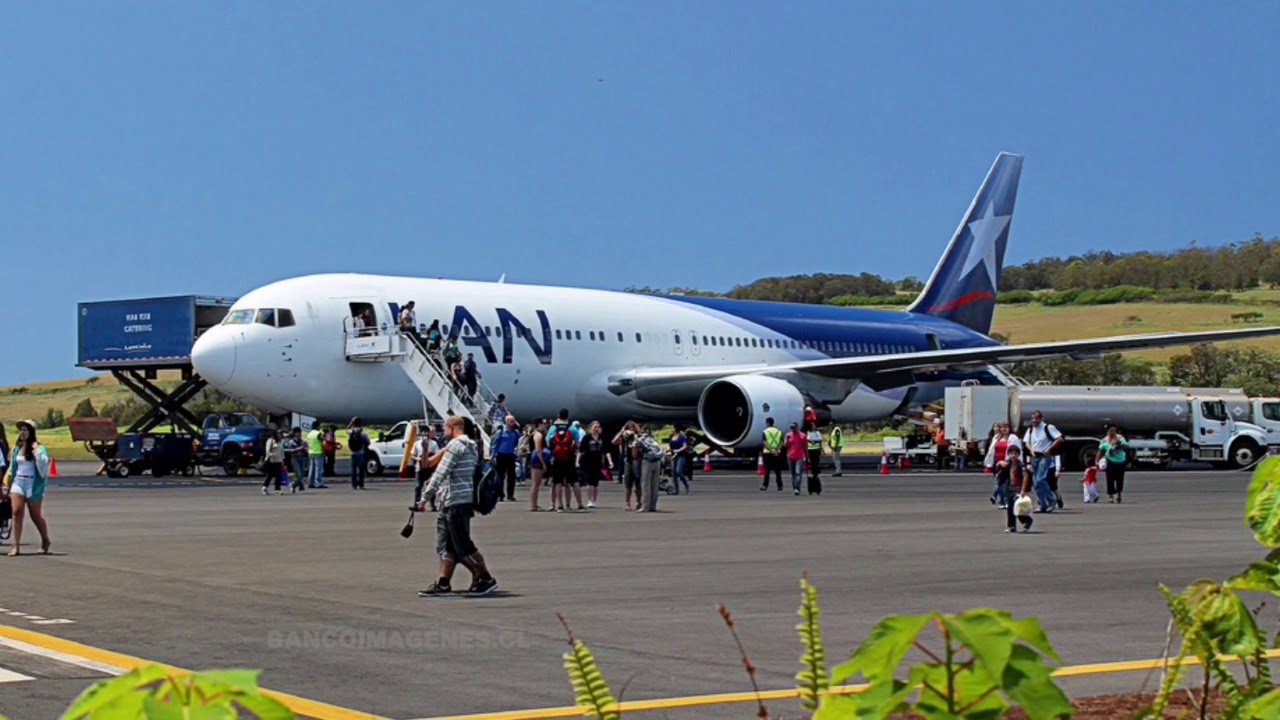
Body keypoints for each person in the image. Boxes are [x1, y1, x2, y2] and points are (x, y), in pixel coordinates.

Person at [417, 416, 498, 597]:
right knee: (448, 546)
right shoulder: (468, 446)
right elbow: (427, 465)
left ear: (453, 427)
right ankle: (444, 583)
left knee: (463, 547)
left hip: (456, 501)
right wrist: (424, 450)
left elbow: (440, 473)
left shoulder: (456, 446)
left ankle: (485, 578)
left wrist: (424, 498)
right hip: (454, 501)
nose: (442, 431)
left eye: (444, 427)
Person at [2, 420, 52, 555]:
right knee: (17, 512)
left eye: (25, 430)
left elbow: (43, 465)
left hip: (33, 484)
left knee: (35, 515)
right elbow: (12, 468)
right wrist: (6, 483)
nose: (22, 432)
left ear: (32, 432)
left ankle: (45, 540)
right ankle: (15, 545)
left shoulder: (40, 449)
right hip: (18, 483)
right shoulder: (17, 448)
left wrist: (36, 451)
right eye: (21, 430)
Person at [1021, 411, 1063, 512]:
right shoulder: (1031, 429)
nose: (1034, 421)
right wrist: (1031, 450)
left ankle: (1051, 499)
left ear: (1041, 419)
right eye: (1033, 419)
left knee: (1041, 479)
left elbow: (1059, 439)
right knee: (1036, 483)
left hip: (1045, 456)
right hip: (1035, 456)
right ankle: (1042, 505)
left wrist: (1050, 449)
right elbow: (1026, 442)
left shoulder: (1048, 427)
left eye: (1036, 418)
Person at [578, 421, 611, 509]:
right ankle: (590, 500)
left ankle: (594, 500)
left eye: (598, 427)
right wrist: (577, 461)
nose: (596, 429)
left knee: (595, 483)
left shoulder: (602, 438)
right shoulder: (587, 438)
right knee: (589, 482)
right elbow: (581, 451)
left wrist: (610, 461)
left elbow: (606, 451)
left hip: (597, 462)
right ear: (591, 428)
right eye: (595, 427)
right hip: (587, 462)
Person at [614, 421, 643, 511]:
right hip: (628, 461)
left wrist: (635, 436)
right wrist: (621, 432)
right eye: (629, 428)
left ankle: (639, 502)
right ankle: (627, 502)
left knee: (638, 482)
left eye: (632, 428)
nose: (630, 430)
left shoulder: (638, 437)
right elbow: (614, 442)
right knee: (628, 484)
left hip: (637, 461)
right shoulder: (625, 438)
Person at [491, 415, 521, 502]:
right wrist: (493, 455)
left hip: (510, 455)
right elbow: (495, 444)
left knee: (512, 476)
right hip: (501, 455)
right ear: (507, 422)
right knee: (500, 476)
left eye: (514, 421)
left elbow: (517, 442)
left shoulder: (515, 433)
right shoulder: (501, 432)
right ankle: (500, 494)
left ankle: (510, 494)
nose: (513, 423)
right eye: (511, 421)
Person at [1097, 424, 1130, 503]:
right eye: (1111, 431)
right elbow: (1100, 451)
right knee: (1110, 479)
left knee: (1119, 479)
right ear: (1108, 431)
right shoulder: (1104, 440)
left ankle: (1119, 495)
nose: (1113, 432)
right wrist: (1097, 461)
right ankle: (1110, 496)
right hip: (1110, 461)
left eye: (1114, 430)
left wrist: (1119, 445)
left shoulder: (1120, 438)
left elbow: (1126, 446)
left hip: (1120, 461)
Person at [1004, 445, 1033, 533]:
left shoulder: (1021, 464)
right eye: (1011, 453)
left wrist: (1023, 490)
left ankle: (1027, 521)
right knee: (1010, 508)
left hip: (1018, 489)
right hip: (1010, 488)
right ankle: (1012, 526)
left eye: (1015, 454)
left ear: (1018, 455)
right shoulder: (1008, 463)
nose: (1013, 455)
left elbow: (1025, 477)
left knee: (1018, 508)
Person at [636, 426, 665, 513]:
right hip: (657, 461)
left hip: (647, 460)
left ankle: (645, 506)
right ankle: (653, 505)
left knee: (645, 485)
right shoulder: (654, 440)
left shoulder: (641, 439)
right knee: (654, 485)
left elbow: (636, 447)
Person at [412, 424, 441, 507]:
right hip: (419, 468)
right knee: (418, 486)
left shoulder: (434, 443)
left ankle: (432, 504)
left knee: (431, 486)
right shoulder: (417, 444)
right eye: (423, 432)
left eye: (427, 432)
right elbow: (412, 455)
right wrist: (417, 459)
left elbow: (437, 454)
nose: (425, 434)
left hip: (430, 468)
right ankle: (417, 503)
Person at [761, 417, 784, 492]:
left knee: (767, 471)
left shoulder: (765, 431)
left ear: (767, 423)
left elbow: (765, 442)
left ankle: (765, 485)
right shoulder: (779, 431)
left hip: (768, 453)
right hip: (777, 452)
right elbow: (781, 442)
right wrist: (777, 450)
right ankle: (780, 486)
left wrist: (771, 450)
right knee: (778, 471)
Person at [785, 422, 807, 495]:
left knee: (798, 473)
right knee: (793, 473)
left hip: (800, 456)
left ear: (797, 427)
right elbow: (786, 446)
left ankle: (797, 488)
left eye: (794, 427)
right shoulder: (788, 435)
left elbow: (805, 447)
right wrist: (787, 440)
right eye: (791, 428)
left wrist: (807, 456)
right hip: (791, 456)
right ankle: (794, 487)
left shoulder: (802, 435)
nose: (792, 429)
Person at [347, 417, 367, 490]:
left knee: (353, 469)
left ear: (354, 424)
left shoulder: (351, 431)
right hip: (361, 452)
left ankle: (354, 485)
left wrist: (351, 422)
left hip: (353, 453)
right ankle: (361, 484)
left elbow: (346, 430)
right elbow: (368, 442)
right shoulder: (363, 432)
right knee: (361, 469)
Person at [263, 428, 285, 495]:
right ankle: (264, 487)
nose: (280, 435)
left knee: (278, 476)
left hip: (278, 461)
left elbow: (281, 451)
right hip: (271, 461)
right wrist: (271, 457)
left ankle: (277, 490)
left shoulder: (281, 441)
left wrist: (282, 460)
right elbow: (267, 450)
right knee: (269, 475)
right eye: (279, 433)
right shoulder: (271, 440)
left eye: (281, 433)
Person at [306, 423, 326, 489]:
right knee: (318, 469)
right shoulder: (318, 433)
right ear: (317, 426)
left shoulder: (309, 434)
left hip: (311, 452)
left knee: (312, 469)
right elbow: (323, 440)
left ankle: (310, 483)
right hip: (318, 452)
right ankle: (318, 483)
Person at [806, 424, 823, 495]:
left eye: (814, 426)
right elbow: (807, 441)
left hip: (816, 450)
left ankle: (815, 477)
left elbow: (820, 441)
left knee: (816, 466)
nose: (814, 427)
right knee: (811, 466)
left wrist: (821, 449)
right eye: (812, 426)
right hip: (810, 451)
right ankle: (811, 487)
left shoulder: (818, 433)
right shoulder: (808, 433)